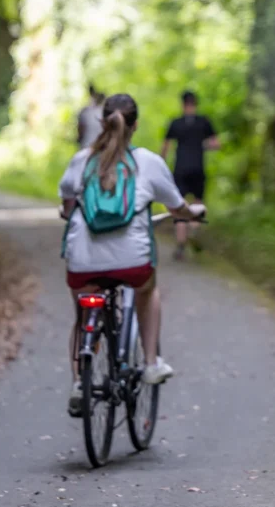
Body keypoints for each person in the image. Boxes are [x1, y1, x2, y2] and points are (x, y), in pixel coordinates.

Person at [59, 93, 205, 415]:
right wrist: (192, 214)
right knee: (147, 290)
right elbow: (176, 206)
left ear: (102, 121)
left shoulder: (80, 161)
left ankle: (79, 384)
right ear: (135, 125)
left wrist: (69, 209)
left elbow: (67, 206)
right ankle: (151, 363)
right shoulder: (150, 163)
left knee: (82, 315)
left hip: (82, 264)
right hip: (133, 263)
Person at [160, 90, 219, 261]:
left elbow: (165, 147)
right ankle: (194, 229)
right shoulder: (204, 122)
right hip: (198, 168)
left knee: (180, 207)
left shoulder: (175, 123)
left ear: (182, 104)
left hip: (180, 169)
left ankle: (180, 244)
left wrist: (161, 165)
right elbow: (216, 144)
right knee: (198, 203)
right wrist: (202, 146)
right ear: (196, 103)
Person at [77, 84, 105, 149]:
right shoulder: (106, 112)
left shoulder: (84, 112)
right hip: (102, 148)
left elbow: (80, 132)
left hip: (87, 146)